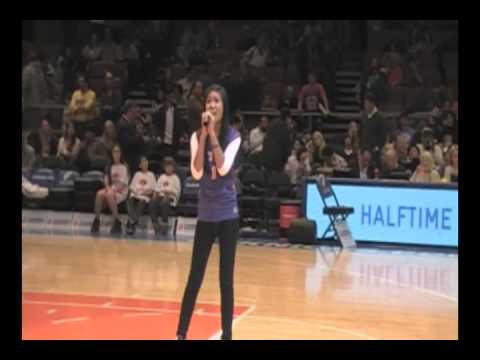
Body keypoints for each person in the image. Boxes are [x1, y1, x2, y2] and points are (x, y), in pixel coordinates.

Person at [176, 84, 241, 340]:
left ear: (224, 107)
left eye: (216, 101)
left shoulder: (234, 137)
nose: (211, 105)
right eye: (208, 102)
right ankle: (181, 333)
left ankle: (227, 335)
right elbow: (197, 173)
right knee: (195, 278)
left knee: (226, 281)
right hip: (206, 214)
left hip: (228, 215)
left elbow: (224, 169)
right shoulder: (196, 136)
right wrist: (203, 136)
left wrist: (212, 134)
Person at [91, 144, 130, 235]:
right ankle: (97, 220)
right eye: (114, 152)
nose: (116, 154)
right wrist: (108, 188)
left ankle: (117, 221)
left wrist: (111, 190)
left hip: (121, 191)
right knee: (99, 193)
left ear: (121, 153)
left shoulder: (124, 167)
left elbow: (122, 184)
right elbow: (106, 182)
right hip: (111, 190)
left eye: (118, 151)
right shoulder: (109, 166)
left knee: (109, 194)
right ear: (112, 154)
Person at [149, 157, 182, 235]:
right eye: (167, 166)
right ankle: (155, 223)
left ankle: (165, 224)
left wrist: (168, 191)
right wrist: (156, 195)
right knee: (152, 201)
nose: (169, 168)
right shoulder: (162, 177)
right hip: (160, 196)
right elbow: (157, 190)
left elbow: (177, 192)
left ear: (173, 167)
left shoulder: (175, 178)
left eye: (170, 166)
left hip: (171, 197)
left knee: (165, 201)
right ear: (164, 167)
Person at [126, 156, 156, 236]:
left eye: (146, 161)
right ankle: (134, 221)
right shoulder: (137, 174)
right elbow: (131, 187)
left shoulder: (151, 175)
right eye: (143, 162)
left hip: (144, 196)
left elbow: (153, 189)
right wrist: (135, 193)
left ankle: (132, 222)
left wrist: (144, 193)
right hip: (135, 195)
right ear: (140, 165)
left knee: (141, 202)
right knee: (129, 200)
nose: (145, 163)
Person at [262, 107, 292, 175]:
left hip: (266, 157)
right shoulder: (284, 128)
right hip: (277, 161)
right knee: (276, 180)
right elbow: (286, 147)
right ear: (287, 117)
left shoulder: (272, 123)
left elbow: (265, 140)